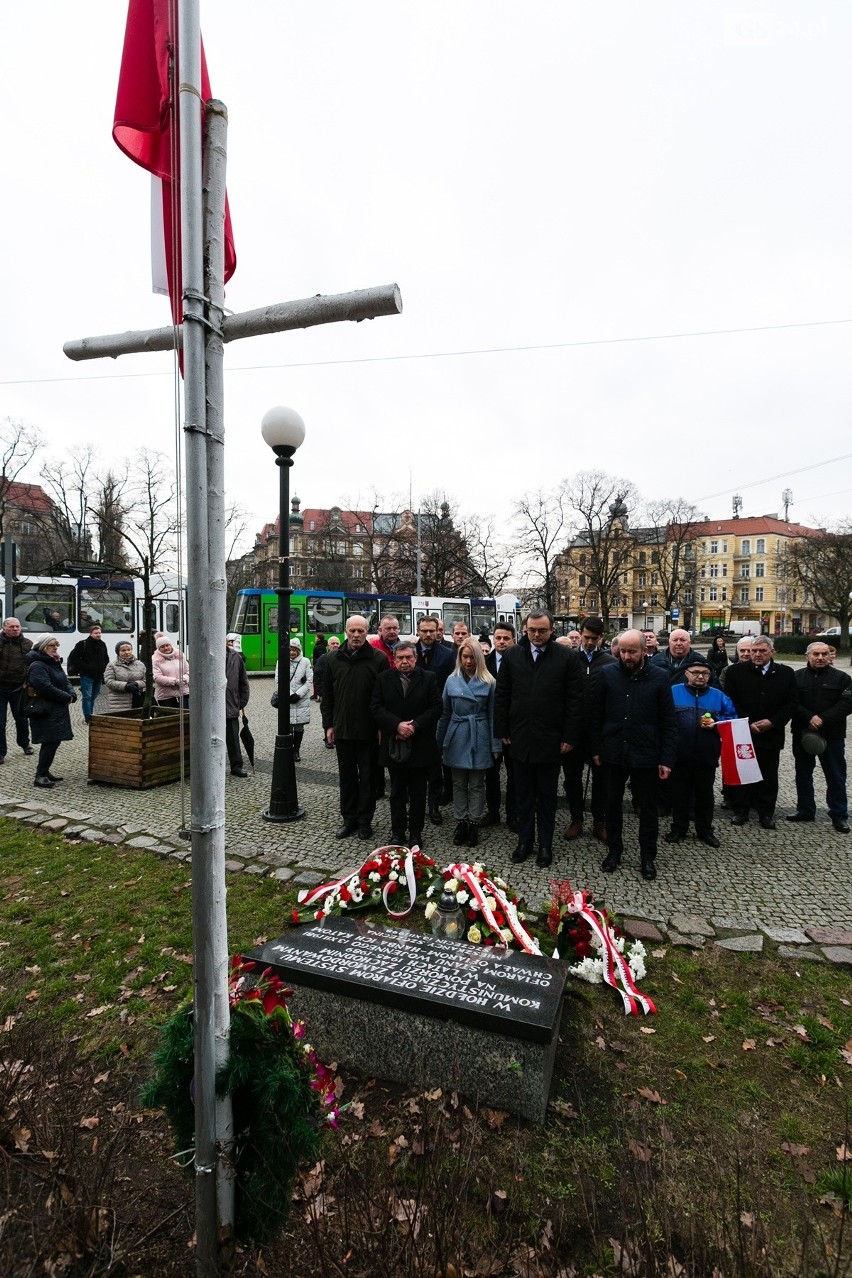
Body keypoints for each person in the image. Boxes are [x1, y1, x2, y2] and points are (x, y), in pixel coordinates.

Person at [494, 609, 582, 869]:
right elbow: (502, 696)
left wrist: (570, 736)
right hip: (519, 738)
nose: (536, 635)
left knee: (546, 797)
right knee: (522, 795)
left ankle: (545, 844)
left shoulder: (566, 657)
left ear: (551, 630)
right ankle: (524, 841)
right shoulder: (511, 656)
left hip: (552, 740)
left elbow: (575, 701)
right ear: (525, 629)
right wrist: (502, 730)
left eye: (542, 630)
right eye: (532, 630)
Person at [590, 629, 678, 881]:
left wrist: (666, 758)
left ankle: (648, 856)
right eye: (623, 651)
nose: (627, 656)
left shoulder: (660, 678)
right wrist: (595, 749)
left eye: (632, 651)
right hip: (613, 752)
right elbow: (596, 715)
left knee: (648, 809)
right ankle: (614, 850)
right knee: (612, 805)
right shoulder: (607, 674)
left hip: (647, 753)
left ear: (644, 651)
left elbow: (668, 721)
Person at [322, 615, 389, 839]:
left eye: (361, 631)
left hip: (369, 731)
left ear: (367, 632)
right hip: (342, 729)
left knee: (368, 779)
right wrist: (328, 725)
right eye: (353, 631)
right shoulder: (333, 659)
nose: (356, 635)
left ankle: (364, 820)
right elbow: (327, 696)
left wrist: (381, 726)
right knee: (346, 778)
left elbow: (382, 697)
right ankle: (348, 818)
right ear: (346, 631)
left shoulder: (378, 659)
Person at [370, 639, 441, 848]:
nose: (404, 661)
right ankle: (397, 832)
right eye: (400, 658)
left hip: (420, 745)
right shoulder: (383, 679)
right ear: (393, 659)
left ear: (415, 658)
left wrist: (415, 726)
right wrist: (397, 725)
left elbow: (437, 708)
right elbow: (375, 707)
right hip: (394, 744)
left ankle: (416, 833)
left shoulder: (428, 678)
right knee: (397, 793)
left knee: (419, 793)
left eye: (409, 657)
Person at [723, 634, 797, 830]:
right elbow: (731, 701)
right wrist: (748, 723)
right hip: (743, 731)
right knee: (744, 772)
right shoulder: (735, 672)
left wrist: (773, 722)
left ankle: (766, 813)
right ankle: (741, 810)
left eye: (762, 651)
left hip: (771, 732)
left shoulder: (786, 673)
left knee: (768, 774)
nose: (756, 654)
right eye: (754, 650)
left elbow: (791, 703)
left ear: (771, 652)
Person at [665, 656, 737, 848]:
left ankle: (705, 829)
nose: (700, 676)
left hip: (707, 753)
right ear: (686, 674)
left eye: (705, 673)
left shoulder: (718, 695)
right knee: (679, 793)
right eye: (695, 672)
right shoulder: (673, 692)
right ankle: (678, 827)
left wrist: (716, 722)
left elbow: (731, 717)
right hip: (680, 753)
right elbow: (663, 717)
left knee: (705, 794)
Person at [437, 638, 500, 849]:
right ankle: (460, 821)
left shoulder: (489, 681)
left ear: (479, 658)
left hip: (478, 734)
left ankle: (473, 822)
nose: (468, 661)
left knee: (476, 783)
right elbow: (444, 713)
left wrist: (495, 745)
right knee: (457, 782)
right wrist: (439, 740)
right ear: (459, 657)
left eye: (473, 657)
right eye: (465, 656)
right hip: (457, 734)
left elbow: (493, 716)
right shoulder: (451, 680)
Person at [788, 641, 852, 833]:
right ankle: (805, 809)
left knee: (835, 775)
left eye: (824, 654)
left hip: (832, 734)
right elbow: (790, 702)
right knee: (803, 774)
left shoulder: (842, 678)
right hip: (802, 731)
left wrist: (822, 719)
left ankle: (839, 814)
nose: (820, 658)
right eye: (815, 654)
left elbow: (847, 704)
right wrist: (809, 717)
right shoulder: (796, 677)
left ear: (830, 656)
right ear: (807, 656)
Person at [563, 616, 614, 844]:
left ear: (601, 637)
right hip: (574, 731)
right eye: (586, 637)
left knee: (601, 779)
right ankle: (576, 818)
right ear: (580, 634)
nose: (590, 642)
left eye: (594, 638)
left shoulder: (610, 662)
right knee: (572, 778)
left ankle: (599, 820)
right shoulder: (570, 659)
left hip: (600, 732)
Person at [414, 616, 455, 824]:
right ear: (418, 631)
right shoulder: (410, 653)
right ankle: (415, 803)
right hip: (413, 715)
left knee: (434, 765)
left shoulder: (448, 655)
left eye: (432, 630)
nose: (428, 634)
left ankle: (434, 805)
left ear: (438, 630)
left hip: (437, 716)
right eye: (424, 631)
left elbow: (449, 687)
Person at [24, 636, 77, 788]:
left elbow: (65, 680)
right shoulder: (38, 665)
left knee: (53, 740)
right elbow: (44, 686)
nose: (55, 648)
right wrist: (66, 697)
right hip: (46, 708)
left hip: (56, 708)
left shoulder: (53, 661)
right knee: (50, 741)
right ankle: (40, 775)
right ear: (42, 646)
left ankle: (44, 770)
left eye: (56, 645)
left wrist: (71, 693)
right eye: (51, 645)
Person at [483, 622, 518, 831]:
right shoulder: (484, 662)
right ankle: (493, 811)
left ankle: (513, 814)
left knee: (514, 775)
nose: (502, 642)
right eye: (498, 638)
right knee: (491, 773)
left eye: (506, 638)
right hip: (490, 727)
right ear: (493, 639)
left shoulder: (519, 660)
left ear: (513, 639)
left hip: (513, 729)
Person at [0, 618, 34, 762]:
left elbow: (33, 663)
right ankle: (1, 752)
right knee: (0, 722)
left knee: (21, 719)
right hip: (0, 688)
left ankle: (24, 743)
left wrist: (28, 680)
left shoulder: (27, 644)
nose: (15, 629)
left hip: (19, 687)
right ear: (4, 628)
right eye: (12, 627)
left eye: (17, 626)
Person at [67, 624, 109, 723]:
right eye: (96, 633)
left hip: (99, 675)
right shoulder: (82, 644)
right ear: (90, 633)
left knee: (94, 696)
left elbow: (105, 658)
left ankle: (91, 715)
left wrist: (104, 668)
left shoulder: (102, 644)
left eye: (99, 633)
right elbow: (73, 657)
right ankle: (88, 717)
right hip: (87, 675)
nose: (98, 635)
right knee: (87, 697)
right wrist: (85, 667)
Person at [283, 636, 311, 762]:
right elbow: (280, 680)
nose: (292, 652)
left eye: (295, 650)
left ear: (299, 650)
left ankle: (296, 750)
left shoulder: (305, 661)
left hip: (301, 700)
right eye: (290, 649)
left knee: (299, 727)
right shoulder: (282, 660)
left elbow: (309, 680)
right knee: (287, 726)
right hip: (287, 699)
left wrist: (298, 694)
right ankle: (288, 750)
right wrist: (289, 694)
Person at [226, 635, 250, 776]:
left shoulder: (235, 657)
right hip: (212, 707)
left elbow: (243, 681)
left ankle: (236, 766)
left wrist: (241, 702)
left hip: (231, 705)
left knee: (233, 738)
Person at [103, 641, 147, 712]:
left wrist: (137, 684)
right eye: (123, 650)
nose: (127, 652)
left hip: (137, 700)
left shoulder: (140, 664)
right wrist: (125, 686)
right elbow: (109, 681)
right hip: (118, 702)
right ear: (118, 652)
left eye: (129, 650)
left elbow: (146, 680)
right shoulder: (112, 665)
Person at [152, 633, 190, 707]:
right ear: (158, 648)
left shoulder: (180, 655)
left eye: (167, 645)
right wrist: (175, 681)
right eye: (162, 647)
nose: (166, 648)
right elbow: (158, 677)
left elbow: (188, 671)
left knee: (185, 716)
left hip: (183, 693)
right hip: (165, 696)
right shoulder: (155, 660)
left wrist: (185, 679)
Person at [313, 635, 340, 709]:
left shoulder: (343, 658)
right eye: (333, 643)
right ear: (328, 646)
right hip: (327, 695)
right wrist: (321, 693)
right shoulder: (322, 659)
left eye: (337, 643)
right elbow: (317, 676)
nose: (335, 645)